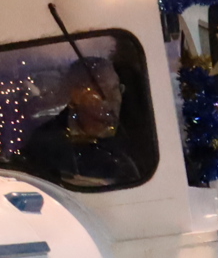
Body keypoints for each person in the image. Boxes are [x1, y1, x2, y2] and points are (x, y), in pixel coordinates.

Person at [14, 56, 139, 188]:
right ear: (76, 96)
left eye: (115, 88)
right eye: (103, 90)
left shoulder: (139, 134)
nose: (115, 98)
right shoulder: (43, 145)